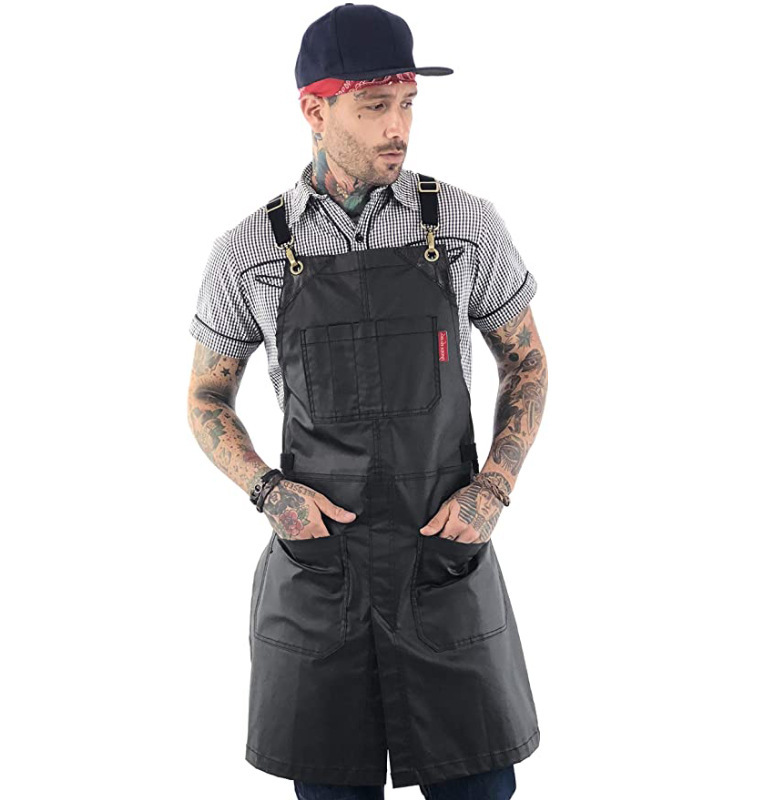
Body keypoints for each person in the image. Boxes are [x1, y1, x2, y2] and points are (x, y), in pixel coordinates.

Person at [187, 4, 548, 798]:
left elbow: (526, 364)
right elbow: (207, 397)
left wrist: (494, 487)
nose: (399, 128)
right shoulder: (249, 252)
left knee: (480, 787)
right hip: (323, 576)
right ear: (315, 111)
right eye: (375, 105)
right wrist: (269, 491)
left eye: (409, 103)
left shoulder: (465, 224)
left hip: (441, 565)